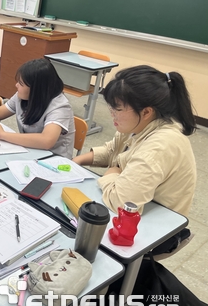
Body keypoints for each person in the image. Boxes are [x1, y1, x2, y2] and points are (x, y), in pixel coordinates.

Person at [73, 65, 197, 216]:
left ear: (146, 112)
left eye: (117, 110)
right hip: (136, 205)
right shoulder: (140, 125)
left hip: (155, 226)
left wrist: (113, 171)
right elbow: (113, 150)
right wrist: (77, 161)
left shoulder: (160, 146)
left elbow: (121, 203)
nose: (112, 115)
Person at [0, 58, 75, 158]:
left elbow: (46, 140)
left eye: (21, 84)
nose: (16, 85)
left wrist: (3, 134)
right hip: (31, 152)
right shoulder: (22, 96)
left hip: (54, 161)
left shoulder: (60, 106)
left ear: (37, 89)